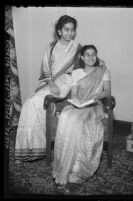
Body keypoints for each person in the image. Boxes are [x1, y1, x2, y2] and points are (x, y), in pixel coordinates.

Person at [15, 15, 82, 163]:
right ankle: (27, 150)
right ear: (59, 31)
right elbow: (45, 70)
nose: (69, 33)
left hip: (67, 82)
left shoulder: (78, 48)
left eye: (72, 30)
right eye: (66, 30)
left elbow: (79, 71)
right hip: (51, 82)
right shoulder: (50, 47)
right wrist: (51, 83)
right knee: (30, 103)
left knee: (36, 102)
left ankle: (33, 149)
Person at [52, 45, 111, 192]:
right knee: (65, 116)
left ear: (96, 56)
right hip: (79, 105)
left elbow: (108, 91)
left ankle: (77, 174)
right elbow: (74, 94)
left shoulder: (103, 71)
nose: (91, 58)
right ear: (82, 57)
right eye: (87, 55)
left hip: (94, 105)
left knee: (81, 124)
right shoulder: (76, 73)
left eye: (93, 55)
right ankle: (64, 167)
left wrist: (97, 96)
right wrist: (78, 101)